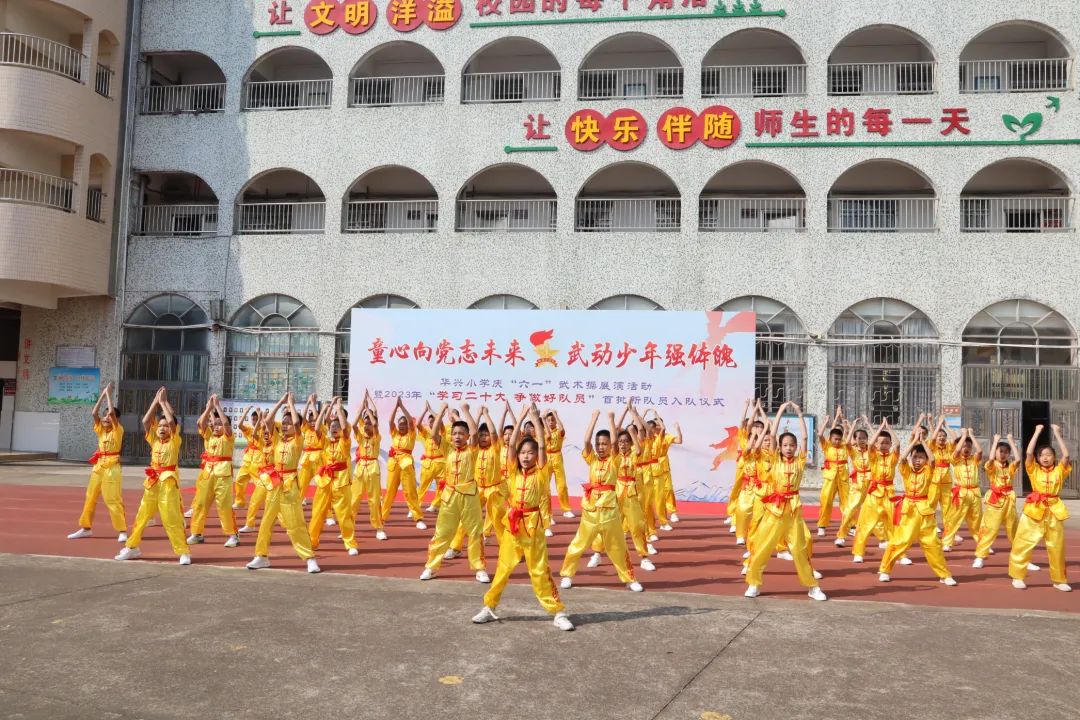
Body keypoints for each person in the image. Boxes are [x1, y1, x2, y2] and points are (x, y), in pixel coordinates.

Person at [471, 406, 573, 631]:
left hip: (533, 528)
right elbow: (512, 443)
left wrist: (535, 419)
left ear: (537, 456)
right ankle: (489, 607)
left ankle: (557, 612)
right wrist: (519, 420)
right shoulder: (513, 471)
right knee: (503, 569)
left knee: (539, 571)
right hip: (513, 526)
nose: (526, 456)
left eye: (530, 453)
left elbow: (544, 443)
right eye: (523, 453)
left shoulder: (542, 472)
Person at [744, 402, 826, 601]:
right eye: (785, 445)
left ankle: (812, 587)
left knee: (799, 549)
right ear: (779, 447)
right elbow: (772, 434)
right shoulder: (774, 459)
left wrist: (799, 413)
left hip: (793, 512)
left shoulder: (799, 461)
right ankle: (754, 583)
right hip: (773, 511)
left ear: (796, 447)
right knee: (763, 547)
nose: (789, 448)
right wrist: (780, 411)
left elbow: (806, 437)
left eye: (792, 445)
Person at [559, 410, 643, 592]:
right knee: (578, 544)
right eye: (599, 444)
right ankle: (567, 575)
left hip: (610, 511)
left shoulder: (615, 460)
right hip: (590, 511)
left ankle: (630, 579)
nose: (601, 447)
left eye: (604, 444)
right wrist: (593, 418)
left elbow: (614, 442)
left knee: (618, 547)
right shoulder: (592, 460)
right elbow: (586, 441)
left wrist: (611, 420)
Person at [245, 392, 320, 573]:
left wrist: (291, 405)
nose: (286, 426)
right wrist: (281, 402)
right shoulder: (277, 438)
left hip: (290, 484)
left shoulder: (298, 440)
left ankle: (309, 558)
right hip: (274, 482)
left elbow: (296, 423)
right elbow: (268, 421)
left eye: (288, 424)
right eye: (283, 423)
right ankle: (261, 556)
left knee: (295, 523)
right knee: (266, 521)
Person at [115, 387, 190, 565]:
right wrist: (155, 402)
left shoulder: (174, 440)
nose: (162, 428)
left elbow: (172, 423)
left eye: (165, 426)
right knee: (142, 517)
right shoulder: (154, 439)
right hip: (152, 481)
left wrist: (163, 402)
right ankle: (132, 547)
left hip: (168, 483)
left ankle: (183, 551)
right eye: (160, 426)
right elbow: (146, 420)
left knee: (170, 519)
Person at [420, 404, 489, 583]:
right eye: (455, 433)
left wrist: (466, 411)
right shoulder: (447, 449)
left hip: (469, 495)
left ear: (466, 437)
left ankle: (479, 567)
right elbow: (434, 434)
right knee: (442, 532)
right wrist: (441, 412)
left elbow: (475, 433)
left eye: (461, 434)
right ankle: (431, 566)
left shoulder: (472, 450)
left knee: (474, 532)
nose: (457, 436)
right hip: (450, 495)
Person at [877, 435, 957, 586]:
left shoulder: (928, 471)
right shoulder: (907, 471)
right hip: (908, 512)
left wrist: (924, 444)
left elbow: (933, 460)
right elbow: (902, 460)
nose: (918, 460)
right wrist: (914, 443)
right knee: (900, 541)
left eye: (921, 458)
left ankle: (944, 575)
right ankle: (885, 570)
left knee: (933, 545)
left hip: (925, 512)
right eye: (915, 457)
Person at [1009, 424, 1071, 592]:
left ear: (1053, 457)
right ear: (1037, 458)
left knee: (1057, 547)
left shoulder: (1060, 470)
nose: (1045, 457)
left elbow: (1066, 455)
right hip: (1034, 511)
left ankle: (1059, 580)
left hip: (1055, 510)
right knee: (1023, 543)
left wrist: (1057, 433)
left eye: (1049, 455)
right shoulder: (1033, 469)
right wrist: (1036, 432)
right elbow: (1028, 453)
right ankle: (1017, 576)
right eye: (1042, 455)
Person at [68, 382, 127, 541]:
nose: (106, 417)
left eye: (110, 415)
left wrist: (109, 394)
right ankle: (85, 528)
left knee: (112, 499)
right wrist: (103, 394)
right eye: (105, 415)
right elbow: (94, 413)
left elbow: (112, 416)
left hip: (112, 467)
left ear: (116, 418)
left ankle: (122, 530)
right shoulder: (101, 429)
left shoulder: (117, 429)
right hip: (99, 465)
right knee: (90, 497)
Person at [446, 407, 506, 559]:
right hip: (476, 489)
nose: (484, 438)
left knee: (498, 519)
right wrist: (477, 415)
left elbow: (494, 433)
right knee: (465, 518)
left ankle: (507, 550)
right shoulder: (474, 449)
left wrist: (485, 414)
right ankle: (455, 547)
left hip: (494, 489)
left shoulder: (495, 448)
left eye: (486, 435)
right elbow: (472, 431)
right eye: (481, 435)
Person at [973, 434, 1039, 572]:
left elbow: (1019, 459)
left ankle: (1023, 559)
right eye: (1000, 451)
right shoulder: (991, 465)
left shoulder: (1010, 467)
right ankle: (980, 557)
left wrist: (1011, 442)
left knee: (1015, 531)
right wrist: (995, 441)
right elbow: (990, 459)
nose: (1003, 454)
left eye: (1005, 452)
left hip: (1009, 500)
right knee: (989, 530)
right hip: (995, 501)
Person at [187, 394, 239, 548]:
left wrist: (218, 407)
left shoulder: (228, 437)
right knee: (200, 504)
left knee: (224, 506)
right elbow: (200, 422)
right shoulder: (209, 436)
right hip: (207, 473)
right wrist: (209, 407)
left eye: (219, 424)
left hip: (223, 475)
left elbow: (226, 424)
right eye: (214, 424)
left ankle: (232, 535)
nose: (216, 426)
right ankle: (196, 533)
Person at [308, 398, 359, 555]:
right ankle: (312, 542)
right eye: (332, 426)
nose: (335, 428)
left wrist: (338, 408)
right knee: (317, 513)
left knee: (343, 515)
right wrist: (325, 409)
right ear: (328, 429)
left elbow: (345, 427)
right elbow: (317, 427)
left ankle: (350, 544)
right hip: (325, 480)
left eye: (337, 427)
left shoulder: (344, 442)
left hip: (340, 481)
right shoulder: (324, 441)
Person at [851, 420, 900, 563]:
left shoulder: (893, 457)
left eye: (886, 443)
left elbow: (897, 444)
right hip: (874, 494)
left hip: (889, 494)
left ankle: (897, 554)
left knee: (892, 525)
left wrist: (889, 427)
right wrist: (879, 429)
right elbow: (871, 444)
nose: (884, 445)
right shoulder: (873, 456)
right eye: (881, 443)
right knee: (865, 524)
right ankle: (858, 552)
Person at [381, 397, 425, 530]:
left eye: (403, 424)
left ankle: (418, 518)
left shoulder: (411, 435)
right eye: (400, 424)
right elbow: (390, 421)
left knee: (410, 491)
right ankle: (383, 516)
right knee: (389, 492)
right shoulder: (394, 434)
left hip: (406, 464)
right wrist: (396, 407)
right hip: (394, 463)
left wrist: (402, 407)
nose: (401, 426)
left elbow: (412, 422)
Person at [350, 390, 386, 540]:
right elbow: (353, 425)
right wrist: (363, 406)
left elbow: (375, 423)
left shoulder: (377, 437)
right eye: (364, 423)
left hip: (373, 468)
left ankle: (378, 528)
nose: (366, 426)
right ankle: (348, 528)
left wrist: (369, 405)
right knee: (354, 499)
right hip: (360, 468)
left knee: (374, 499)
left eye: (368, 424)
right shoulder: (360, 436)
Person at [942, 428, 983, 551]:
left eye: (968, 446)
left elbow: (980, 451)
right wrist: (964, 436)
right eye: (964, 446)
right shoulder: (955, 459)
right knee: (954, 519)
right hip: (960, 493)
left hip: (974, 493)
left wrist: (971, 435)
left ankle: (982, 543)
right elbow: (957, 450)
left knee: (977, 520)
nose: (966, 448)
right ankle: (947, 542)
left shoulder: (974, 460)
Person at [724, 399, 758, 530]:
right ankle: (733, 516)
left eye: (755, 426)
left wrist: (756, 408)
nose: (752, 427)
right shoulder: (743, 435)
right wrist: (747, 406)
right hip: (742, 466)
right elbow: (743, 421)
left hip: (755, 469)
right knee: (738, 492)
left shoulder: (757, 439)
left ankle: (746, 520)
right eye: (750, 426)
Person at [816, 407, 850, 538]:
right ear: (830, 438)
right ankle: (822, 525)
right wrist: (827, 421)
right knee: (826, 500)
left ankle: (849, 525)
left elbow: (845, 432)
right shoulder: (827, 445)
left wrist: (840, 417)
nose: (836, 441)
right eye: (834, 439)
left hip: (843, 476)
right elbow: (820, 435)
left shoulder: (845, 446)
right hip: (830, 476)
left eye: (838, 439)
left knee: (846, 502)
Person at [415, 401, 448, 513]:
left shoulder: (442, 432)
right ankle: (415, 506)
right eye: (430, 422)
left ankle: (435, 505)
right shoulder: (425, 433)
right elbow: (418, 424)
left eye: (434, 421)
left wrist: (432, 411)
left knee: (441, 487)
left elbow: (441, 422)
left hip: (441, 462)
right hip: (428, 463)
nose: (432, 423)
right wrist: (425, 411)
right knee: (423, 485)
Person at [543, 409, 574, 523]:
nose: (551, 422)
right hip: (546, 458)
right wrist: (543, 418)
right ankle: (548, 514)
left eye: (553, 420)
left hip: (557, 457)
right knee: (545, 488)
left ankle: (566, 509)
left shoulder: (559, 431)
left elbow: (562, 429)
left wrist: (556, 413)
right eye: (549, 420)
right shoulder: (543, 431)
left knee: (561, 485)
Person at [652, 413, 683, 524]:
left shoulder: (667, 436)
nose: (657, 427)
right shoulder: (650, 437)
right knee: (654, 494)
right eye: (655, 424)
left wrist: (678, 429)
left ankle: (673, 512)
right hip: (652, 468)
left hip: (664, 466)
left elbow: (679, 440)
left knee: (668, 489)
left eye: (659, 424)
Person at [928, 415, 957, 531]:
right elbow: (933, 437)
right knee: (931, 504)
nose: (942, 438)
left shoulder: (948, 447)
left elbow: (955, 439)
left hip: (946, 482)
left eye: (944, 436)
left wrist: (947, 426)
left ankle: (949, 530)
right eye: (940, 436)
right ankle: (931, 526)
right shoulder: (933, 446)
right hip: (934, 481)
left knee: (947, 506)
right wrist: (939, 424)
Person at [297, 395, 325, 508]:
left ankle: (327, 512)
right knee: (302, 483)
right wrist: (308, 403)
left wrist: (313, 404)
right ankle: (298, 502)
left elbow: (318, 420)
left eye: (315, 421)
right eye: (311, 421)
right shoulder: (306, 428)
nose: (313, 423)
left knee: (322, 483)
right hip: (307, 458)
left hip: (318, 458)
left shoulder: (321, 429)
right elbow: (302, 418)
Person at [232, 408, 261, 510]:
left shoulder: (265, 430)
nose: (254, 422)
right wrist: (245, 411)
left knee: (260, 484)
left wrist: (259, 414)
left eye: (256, 419)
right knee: (239, 479)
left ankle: (266, 502)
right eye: (253, 419)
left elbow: (256, 435)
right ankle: (240, 501)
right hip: (247, 460)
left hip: (258, 461)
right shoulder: (249, 429)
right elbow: (240, 425)